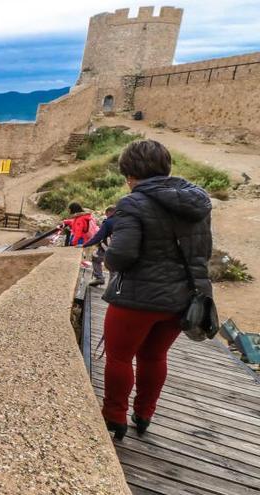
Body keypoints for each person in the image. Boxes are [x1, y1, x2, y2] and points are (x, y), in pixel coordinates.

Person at [101, 139, 212, 440]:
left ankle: (114, 417)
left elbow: (121, 257)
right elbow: (203, 251)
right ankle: (144, 414)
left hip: (137, 299)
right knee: (154, 357)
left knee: (120, 358)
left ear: (131, 174)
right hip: (180, 300)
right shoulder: (197, 202)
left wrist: (108, 252)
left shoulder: (132, 203)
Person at [84, 206, 117, 286]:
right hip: (122, 247)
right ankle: (112, 288)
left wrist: (85, 244)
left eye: (106, 214)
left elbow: (98, 237)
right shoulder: (124, 221)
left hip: (107, 247)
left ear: (109, 212)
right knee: (114, 267)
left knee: (96, 258)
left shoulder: (108, 222)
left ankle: (99, 278)